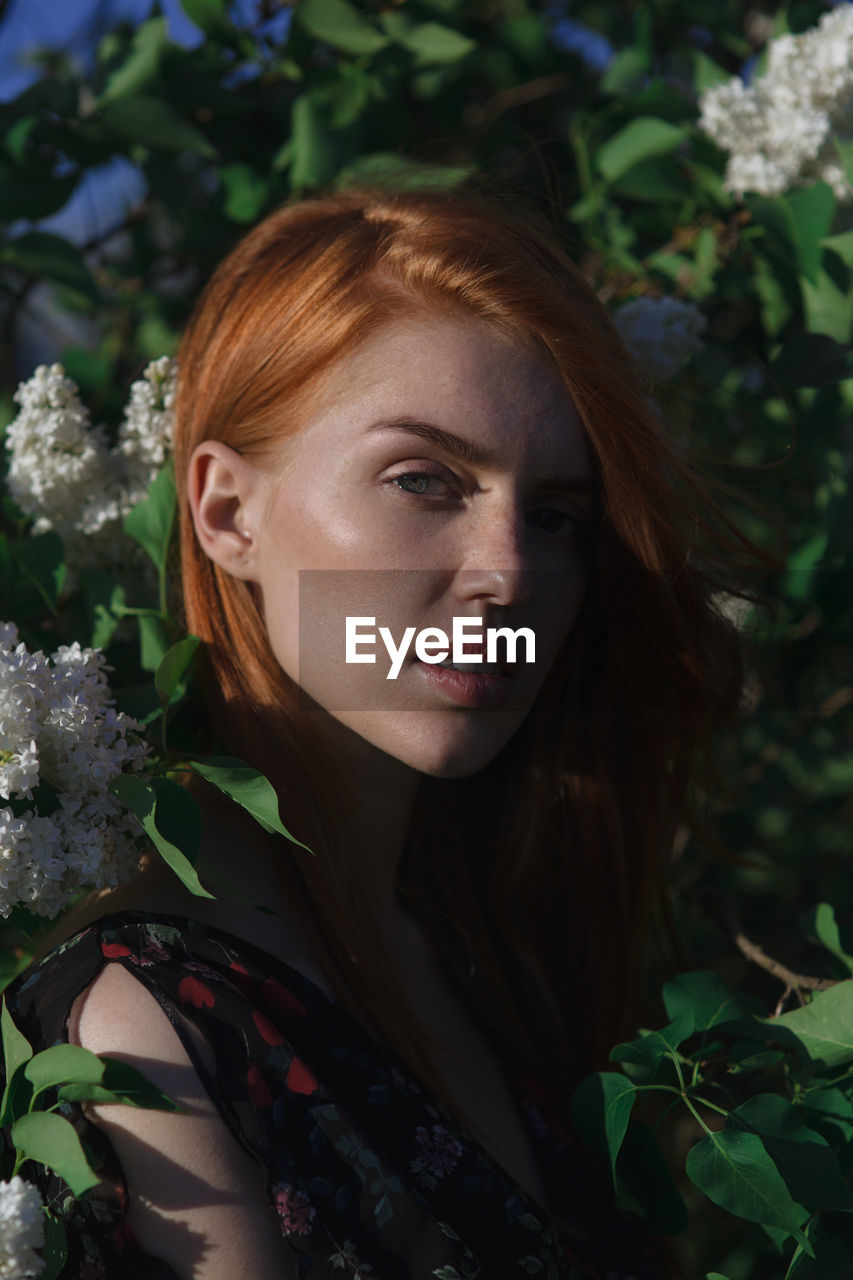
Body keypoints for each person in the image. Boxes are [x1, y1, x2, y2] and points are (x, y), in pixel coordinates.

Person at [3, 186, 759, 1279]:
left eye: (554, 514)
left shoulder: (487, 951)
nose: (509, 572)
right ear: (225, 512)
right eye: (424, 480)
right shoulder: (146, 1031)